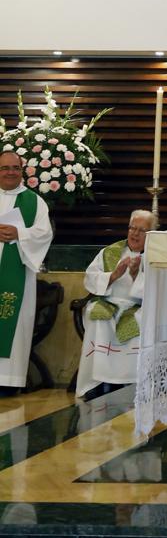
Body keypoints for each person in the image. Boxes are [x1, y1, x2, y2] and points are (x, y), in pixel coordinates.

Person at [75, 209, 152, 401]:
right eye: (132, 228)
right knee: (98, 317)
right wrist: (113, 275)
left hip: (138, 306)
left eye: (141, 230)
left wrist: (136, 275)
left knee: (140, 319)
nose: (134, 234)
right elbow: (90, 278)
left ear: (151, 233)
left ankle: (131, 381)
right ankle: (97, 381)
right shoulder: (110, 252)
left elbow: (157, 290)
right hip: (108, 302)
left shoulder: (155, 256)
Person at [0, 150, 53, 392]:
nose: (10, 172)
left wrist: (19, 233)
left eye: (15, 168)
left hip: (17, 274)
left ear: (22, 171)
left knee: (15, 325)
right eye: (5, 168)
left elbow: (44, 233)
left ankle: (9, 382)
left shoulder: (34, 202)